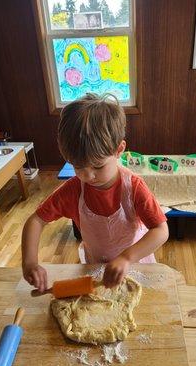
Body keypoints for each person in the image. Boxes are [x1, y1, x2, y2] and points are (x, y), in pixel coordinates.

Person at [22, 93, 169, 292]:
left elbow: (161, 231)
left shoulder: (133, 187)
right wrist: (30, 263)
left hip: (135, 265)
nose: (88, 175)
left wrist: (126, 258)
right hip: (95, 267)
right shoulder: (73, 190)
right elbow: (36, 220)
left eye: (98, 166)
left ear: (119, 150)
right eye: (78, 166)